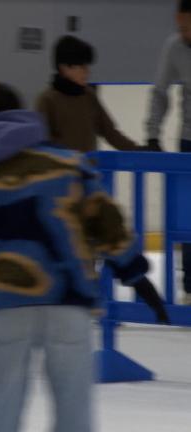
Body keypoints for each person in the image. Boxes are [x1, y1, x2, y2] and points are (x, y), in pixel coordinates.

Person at [0, 82, 168, 432]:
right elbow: (106, 222)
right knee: (74, 420)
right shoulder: (68, 163)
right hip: (69, 302)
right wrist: (135, 275)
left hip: (4, 305)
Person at [146, 0, 191, 302]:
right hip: (189, 142)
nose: (184, 32)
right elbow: (160, 92)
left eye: (188, 25)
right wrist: (152, 134)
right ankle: (190, 286)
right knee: (188, 217)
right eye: (180, 26)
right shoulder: (174, 47)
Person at [35, 35, 141, 152]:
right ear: (64, 68)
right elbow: (42, 142)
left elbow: (110, 133)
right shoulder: (47, 100)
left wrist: (139, 151)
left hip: (88, 168)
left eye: (87, 66)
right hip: (60, 168)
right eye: (81, 66)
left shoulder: (89, 96)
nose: (87, 71)